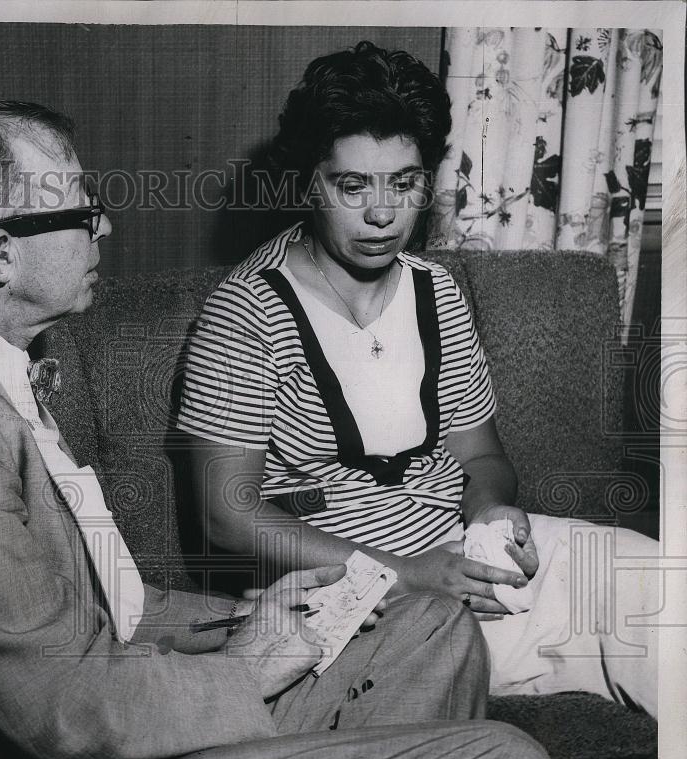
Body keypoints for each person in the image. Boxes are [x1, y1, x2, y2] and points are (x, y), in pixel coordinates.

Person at [0, 97, 553, 759]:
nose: (106, 226)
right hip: (26, 757)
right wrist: (245, 669)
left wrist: (245, 624)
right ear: (0, 252)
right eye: (84, 209)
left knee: (432, 623)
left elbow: (100, 606)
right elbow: (52, 701)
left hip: (104, 688)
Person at [176, 42, 659, 717]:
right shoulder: (246, 311)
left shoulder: (436, 290)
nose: (382, 215)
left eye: (404, 183)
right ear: (310, 182)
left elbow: (482, 456)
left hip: (457, 555)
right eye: (353, 186)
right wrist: (402, 575)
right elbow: (225, 515)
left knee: (650, 578)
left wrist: (490, 508)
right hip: (347, 598)